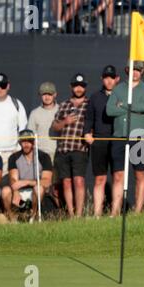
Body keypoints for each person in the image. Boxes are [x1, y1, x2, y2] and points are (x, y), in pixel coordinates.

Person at [106, 61, 144, 216]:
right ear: (127, 70)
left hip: (140, 136)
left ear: (142, 72)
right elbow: (110, 110)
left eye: (139, 70)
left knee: (140, 174)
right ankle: (114, 212)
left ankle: (138, 211)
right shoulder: (118, 88)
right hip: (119, 136)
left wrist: (123, 105)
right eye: (133, 69)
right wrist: (130, 108)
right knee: (118, 175)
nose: (135, 73)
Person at [51, 73, 89, 218]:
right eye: (76, 86)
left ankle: (79, 214)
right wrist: (65, 122)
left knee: (78, 181)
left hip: (80, 148)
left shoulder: (89, 104)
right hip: (63, 149)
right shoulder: (64, 105)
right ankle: (71, 214)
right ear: (71, 87)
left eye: (81, 86)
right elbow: (55, 126)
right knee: (66, 182)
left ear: (85, 87)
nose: (78, 88)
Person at [84, 65, 119, 218]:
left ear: (117, 78)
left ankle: (114, 213)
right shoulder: (95, 97)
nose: (109, 80)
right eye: (106, 77)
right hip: (99, 142)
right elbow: (89, 118)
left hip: (118, 141)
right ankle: (97, 214)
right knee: (100, 178)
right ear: (102, 79)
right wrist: (86, 133)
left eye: (112, 77)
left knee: (118, 176)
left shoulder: (123, 95)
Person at [1, 129, 53, 223]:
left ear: (33, 142)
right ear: (20, 143)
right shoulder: (14, 157)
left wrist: (27, 182)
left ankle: (33, 217)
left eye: (29, 141)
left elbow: (47, 181)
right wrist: (15, 191)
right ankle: (13, 219)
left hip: (37, 191)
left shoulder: (44, 157)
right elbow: (13, 178)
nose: (26, 144)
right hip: (20, 190)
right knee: (5, 191)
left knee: (38, 188)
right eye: (23, 141)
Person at [27, 82, 61, 208]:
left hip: (59, 155)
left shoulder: (61, 110)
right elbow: (30, 137)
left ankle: (63, 214)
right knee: (43, 188)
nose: (46, 97)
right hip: (41, 157)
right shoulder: (35, 113)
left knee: (58, 188)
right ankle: (37, 214)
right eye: (44, 94)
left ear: (55, 95)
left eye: (49, 94)